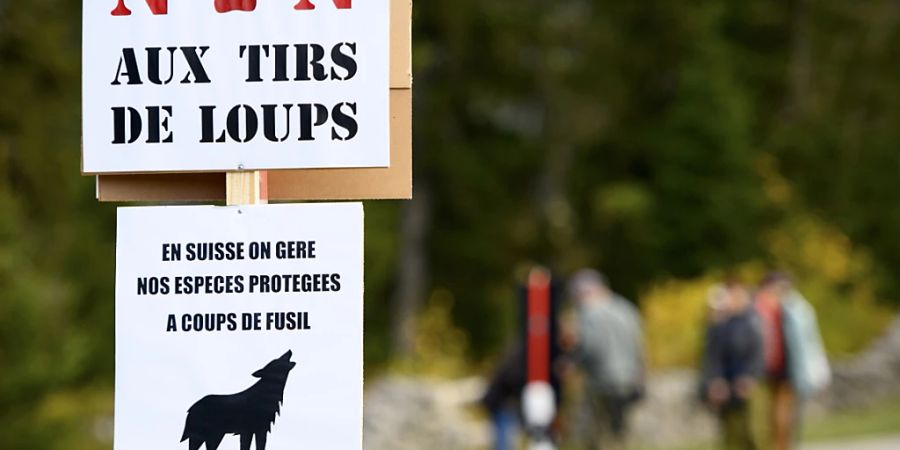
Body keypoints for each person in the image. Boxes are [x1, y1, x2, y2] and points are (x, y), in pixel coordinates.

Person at [564, 269, 644, 450]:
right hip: (628, 379)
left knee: (595, 435)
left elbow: (590, 347)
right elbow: (639, 347)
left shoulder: (590, 312)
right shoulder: (627, 309)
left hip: (601, 381)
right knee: (619, 433)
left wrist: (573, 363)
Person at [755, 272, 830, 450]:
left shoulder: (795, 309)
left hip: (786, 367)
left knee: (783, 413)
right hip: (768, 367)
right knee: (769, 414)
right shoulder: (766, 308)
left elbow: (807, 342)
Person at [700, 281, 764, 450]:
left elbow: (759, 353)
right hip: (728, 385)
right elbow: (713, 356)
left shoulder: (753, 321)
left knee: (754, 432)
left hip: (748, 384)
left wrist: (750, 377)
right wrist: (716, 380)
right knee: (730, 434)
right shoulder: (721, 324)